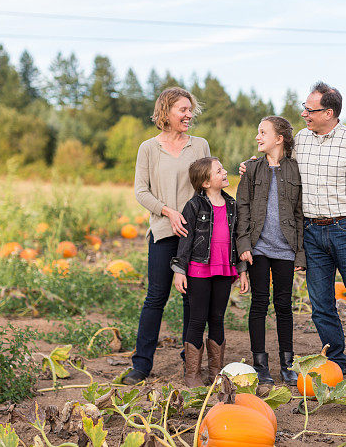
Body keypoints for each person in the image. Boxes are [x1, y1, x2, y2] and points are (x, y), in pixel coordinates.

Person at [240, 82, 346, 378]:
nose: (303, 114)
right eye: (304, 108)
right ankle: (335, 365)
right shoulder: (301, 139)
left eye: (310, 110)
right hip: (312, 232)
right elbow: (278, 161)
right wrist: (252, 166)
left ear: (329, 112)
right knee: (321, 305)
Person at [124, 87, 211, 385]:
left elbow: (209, 184)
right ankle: (141, 364)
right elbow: (141, 191)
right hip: (163, 231)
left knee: (193, 300)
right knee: (156, 298)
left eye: (190, 110)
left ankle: (192, 362)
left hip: (195, 234)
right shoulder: (148, 148)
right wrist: (169, 212)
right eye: (183, 110)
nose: (189, 115)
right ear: (166, 112)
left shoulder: (200, 145)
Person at [235, 116, 304, 385]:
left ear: (280, 138)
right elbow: (242, 208)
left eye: (263, 132)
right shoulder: (251, 170)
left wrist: (300, 252)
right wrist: (243, 246)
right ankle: (260, 364)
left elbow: (299, 213)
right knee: (259, 303)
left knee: (284, 305)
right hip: (259, 248)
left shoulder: (295, 170)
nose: (257, 137)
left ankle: (287, 364)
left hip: (286, 248)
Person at [171, 157, 249, 387]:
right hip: (198, 269)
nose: (225, 172)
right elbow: (186, 241)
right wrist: (180, 270)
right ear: (205, 182)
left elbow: (237, 240)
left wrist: (242, 270)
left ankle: (216, 371)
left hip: (224, 268)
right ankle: (192, 374)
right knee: (197, 320)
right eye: (219, 170)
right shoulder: (194, 206)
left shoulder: (232, 205)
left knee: (217, 318)